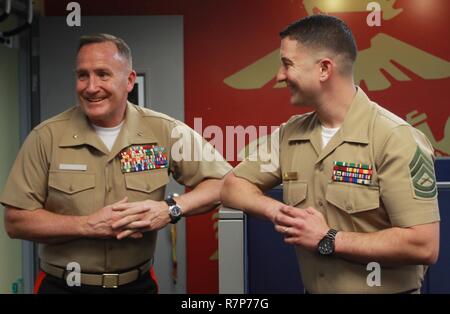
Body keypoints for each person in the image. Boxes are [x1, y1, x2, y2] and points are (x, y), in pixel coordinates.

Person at [221, 15, 440, 294]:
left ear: (324, 69)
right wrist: (281, 213)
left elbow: (423, 244)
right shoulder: (292, 133)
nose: (279, 75)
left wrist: (328, 238)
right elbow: (232, 186)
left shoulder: (395, 137)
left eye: (288, 64)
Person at [1, 34, 231, 293]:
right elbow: (15, 221)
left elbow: (224, 183)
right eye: (82, 75)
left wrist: (169, 210)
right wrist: (87, 226)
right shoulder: (46, 137)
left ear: (129, 80)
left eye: (103, 74)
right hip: (63, 286)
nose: (91, 87)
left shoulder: (164, 132)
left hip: (136, 286)